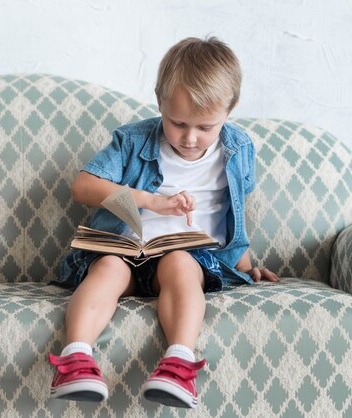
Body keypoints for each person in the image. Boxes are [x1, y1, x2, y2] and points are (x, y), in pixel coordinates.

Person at [48, 36, 280, 409]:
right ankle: (75, 359)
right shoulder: (133, 140)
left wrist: (249, 266)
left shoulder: (238, 150)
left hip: (184, 256)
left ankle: (178, 364)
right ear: (160, 103)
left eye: (206, 127)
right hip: (125, 249)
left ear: (229, 111)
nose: (190, 138)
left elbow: (231, 216)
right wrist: (149, 201)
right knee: (107, 268)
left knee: (180, 263)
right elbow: (83, 186)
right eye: (178, 123)